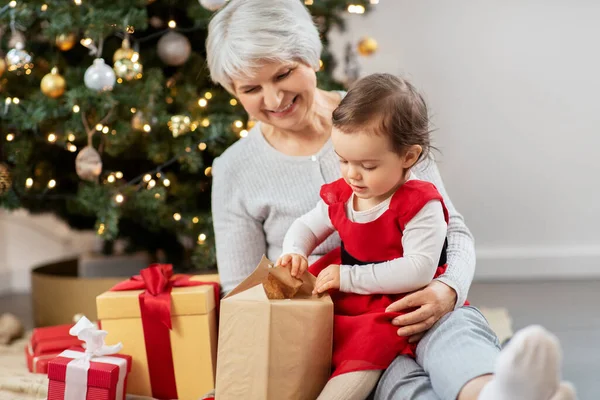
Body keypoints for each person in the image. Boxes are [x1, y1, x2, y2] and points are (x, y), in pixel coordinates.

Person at [206, 1, 576, 399]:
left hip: (418, 294)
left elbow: (451, 227)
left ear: (310, 58)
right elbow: (241, 291)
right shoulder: (234, 170)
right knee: (395, 381)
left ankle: (496, 392)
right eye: (250, 88)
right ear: (232, 90)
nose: (274, 97)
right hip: (338, 326)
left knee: (455, 332)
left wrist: (446, 289)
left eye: (284, 73)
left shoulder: (379, 117)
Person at [274, 72, 452, 399]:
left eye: (367, 166)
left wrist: (349, 277)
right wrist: (295, 250)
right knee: (302, 353)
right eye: (343, 160)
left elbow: (418, 268)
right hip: (346, 296)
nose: (352, 174)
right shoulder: (343, 194)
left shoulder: (418, 203)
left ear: (408, 158)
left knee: (355, 369)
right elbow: (307, 225)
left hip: (391, 302)